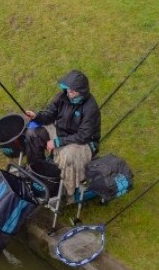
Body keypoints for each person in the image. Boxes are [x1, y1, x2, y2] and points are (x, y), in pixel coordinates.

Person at [23, 69, 101, 200]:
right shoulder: (62, 97)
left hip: (85, 143)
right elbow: (49, 114)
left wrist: (57, 142)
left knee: (67, 155)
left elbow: (83, 136)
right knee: (32, 133)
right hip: (60, 132)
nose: (69, 94)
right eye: (68, 90)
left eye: (72, 91)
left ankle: (65, 192)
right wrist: (37, 116)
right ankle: (36, 173)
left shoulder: (90, 108)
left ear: (82, 91)